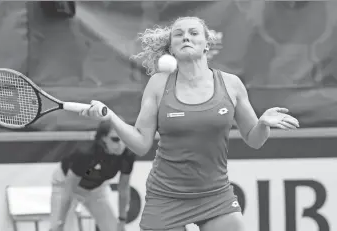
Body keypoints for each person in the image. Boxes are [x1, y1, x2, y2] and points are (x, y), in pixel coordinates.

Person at [79, 16, 300, 231]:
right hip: (166, 196)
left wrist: (262, 124)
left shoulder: (231, 85)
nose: (186, 37)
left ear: (206, 45)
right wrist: (112, 118)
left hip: (215, 195)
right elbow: (141, 143)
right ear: (172, 49)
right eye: (178, 34)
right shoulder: (158, 84)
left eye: (193, 33)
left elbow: (255, 140)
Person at [50, 119, 136, 231]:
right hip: (64, 185)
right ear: (103, 138)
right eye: (115, 139)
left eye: (124, 138)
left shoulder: (128, 154)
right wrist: (60, 222)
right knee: (58, 228)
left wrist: (122, 220)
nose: (120, 144)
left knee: (114, 229)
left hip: (94, 190)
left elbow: (123, 188)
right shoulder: (87, 153)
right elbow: (69, 189)